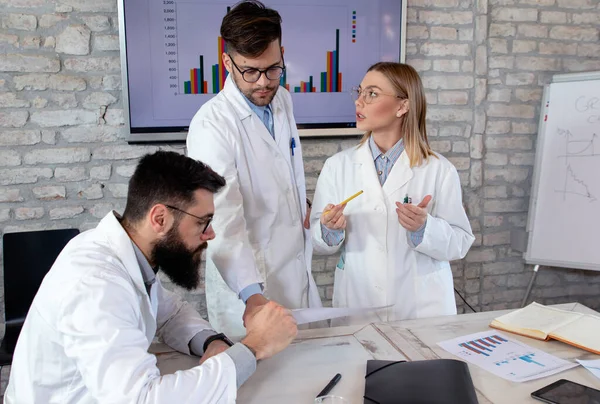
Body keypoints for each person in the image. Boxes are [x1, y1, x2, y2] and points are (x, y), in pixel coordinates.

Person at [5, 151, 298, 404]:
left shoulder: (125, 258)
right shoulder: (95, 284)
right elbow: (141, 399)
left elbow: (169, 313)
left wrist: (212, 342)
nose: (210, 234)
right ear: (159, 219)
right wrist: (253, 347)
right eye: (203, 222)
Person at [187, 0, 321, 338]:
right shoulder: (211, 126)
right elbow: (222, 219)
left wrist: (298, 204)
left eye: (273, 69)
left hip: (294, 275)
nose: (263, 82)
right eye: (250, 71)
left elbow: (279, 170)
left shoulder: (282, 100)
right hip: (249, 293)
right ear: (227, 62)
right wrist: (253, 296)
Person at [310, 62, 475, 326]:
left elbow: (460, 243)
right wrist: (329, 229)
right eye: (360, 92)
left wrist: (424, 228)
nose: (359, 102)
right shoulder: (337, 166)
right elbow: (319, 241)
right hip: (358, 305)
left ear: (402, 106)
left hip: (421, 308)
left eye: (372, 94)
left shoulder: (439, 169)